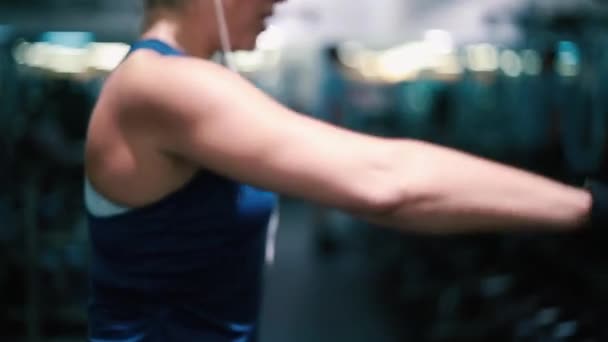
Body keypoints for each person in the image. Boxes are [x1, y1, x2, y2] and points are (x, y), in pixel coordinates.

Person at [84, 0, 607, 341]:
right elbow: (385, 180)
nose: (277, 3)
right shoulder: (162, 85)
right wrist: (588, 206)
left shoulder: (173, 80)